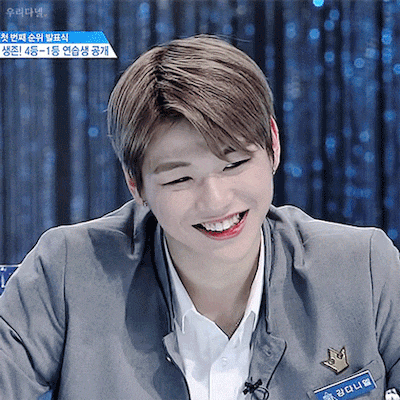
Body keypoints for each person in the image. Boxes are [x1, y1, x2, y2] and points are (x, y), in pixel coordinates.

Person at [1, 35, 399, 400]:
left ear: (273, 145)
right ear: (135, 183)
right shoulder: (68, 271)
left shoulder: (365, 269)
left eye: (234, 164)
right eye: (179, 179)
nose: (216, 201)